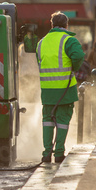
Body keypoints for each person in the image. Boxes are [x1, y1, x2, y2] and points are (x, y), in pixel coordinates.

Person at [36, 12, 85, 163]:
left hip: (47, 91)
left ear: (51, 25)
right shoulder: (69, 41)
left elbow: (40, 63)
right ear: (66, 25)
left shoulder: (41, 43)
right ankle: (58, 154)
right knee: (62, 121)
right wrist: (73, 69)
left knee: (47, 121)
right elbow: (78, 56)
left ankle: (46, 154)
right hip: (65, 90)